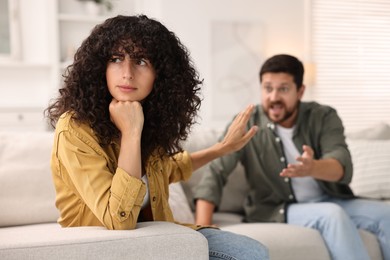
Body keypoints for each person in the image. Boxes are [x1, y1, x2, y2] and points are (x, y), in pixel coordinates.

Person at [45, 15, 268, 260]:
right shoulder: (75, 129)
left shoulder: (148, 119)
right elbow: (119, 219)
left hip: (157, 237)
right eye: (116, 59)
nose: (127, 73)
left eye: (140, 60)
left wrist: (221, 149)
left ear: (160, 74)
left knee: (254, 250)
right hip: (104, 244)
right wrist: (131, 132)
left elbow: (166, 169)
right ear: (99, 68)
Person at [194, 54, 390, 260]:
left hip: (330, 196)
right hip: (277, 208)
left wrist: (312, 168)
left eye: (283, 89)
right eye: (268, 88)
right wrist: (203, 229)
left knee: (386, 214)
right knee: (332, 215)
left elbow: (342, 164)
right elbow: (216, 171)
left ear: (300, 91)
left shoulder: (323, 116)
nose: (274, 97)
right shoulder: (247, 123)